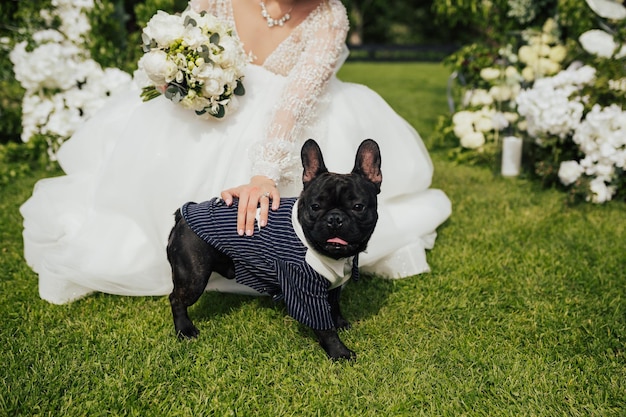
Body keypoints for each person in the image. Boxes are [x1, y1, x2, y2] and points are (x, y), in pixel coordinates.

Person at [20, 0, 452, 304]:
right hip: (211, 107)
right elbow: (183, 44)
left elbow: (294, 103)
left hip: (293, 116)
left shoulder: (329, 15)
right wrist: (183, 79)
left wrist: (264, 172)